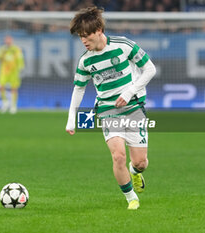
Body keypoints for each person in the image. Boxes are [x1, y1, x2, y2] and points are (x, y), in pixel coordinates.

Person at [65, 6, 156, 210]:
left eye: (86, 36)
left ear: (99, 30)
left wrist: (129, 92)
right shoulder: (85, 61)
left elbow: (150, 69)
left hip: (134, 106)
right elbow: (78, 90)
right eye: (80, 37)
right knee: (118, 155)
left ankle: (135, 172)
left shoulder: (123, 45)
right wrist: (72, 118)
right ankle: (131, 198)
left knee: (141, 162)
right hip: (107, 110)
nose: (83, 41)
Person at [0, 35, 24, 114]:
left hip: (14, 72)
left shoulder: (16, 49)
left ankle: (13, 106)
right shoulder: (2, 49)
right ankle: (5, 103)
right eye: (6, 40)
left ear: (12, 41)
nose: (7, 42)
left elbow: (20, 59)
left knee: (14, 88)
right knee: (0, 86)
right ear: (5, 41)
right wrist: (2, 55)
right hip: (4, 71)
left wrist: (21, 68)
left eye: (9, 40)